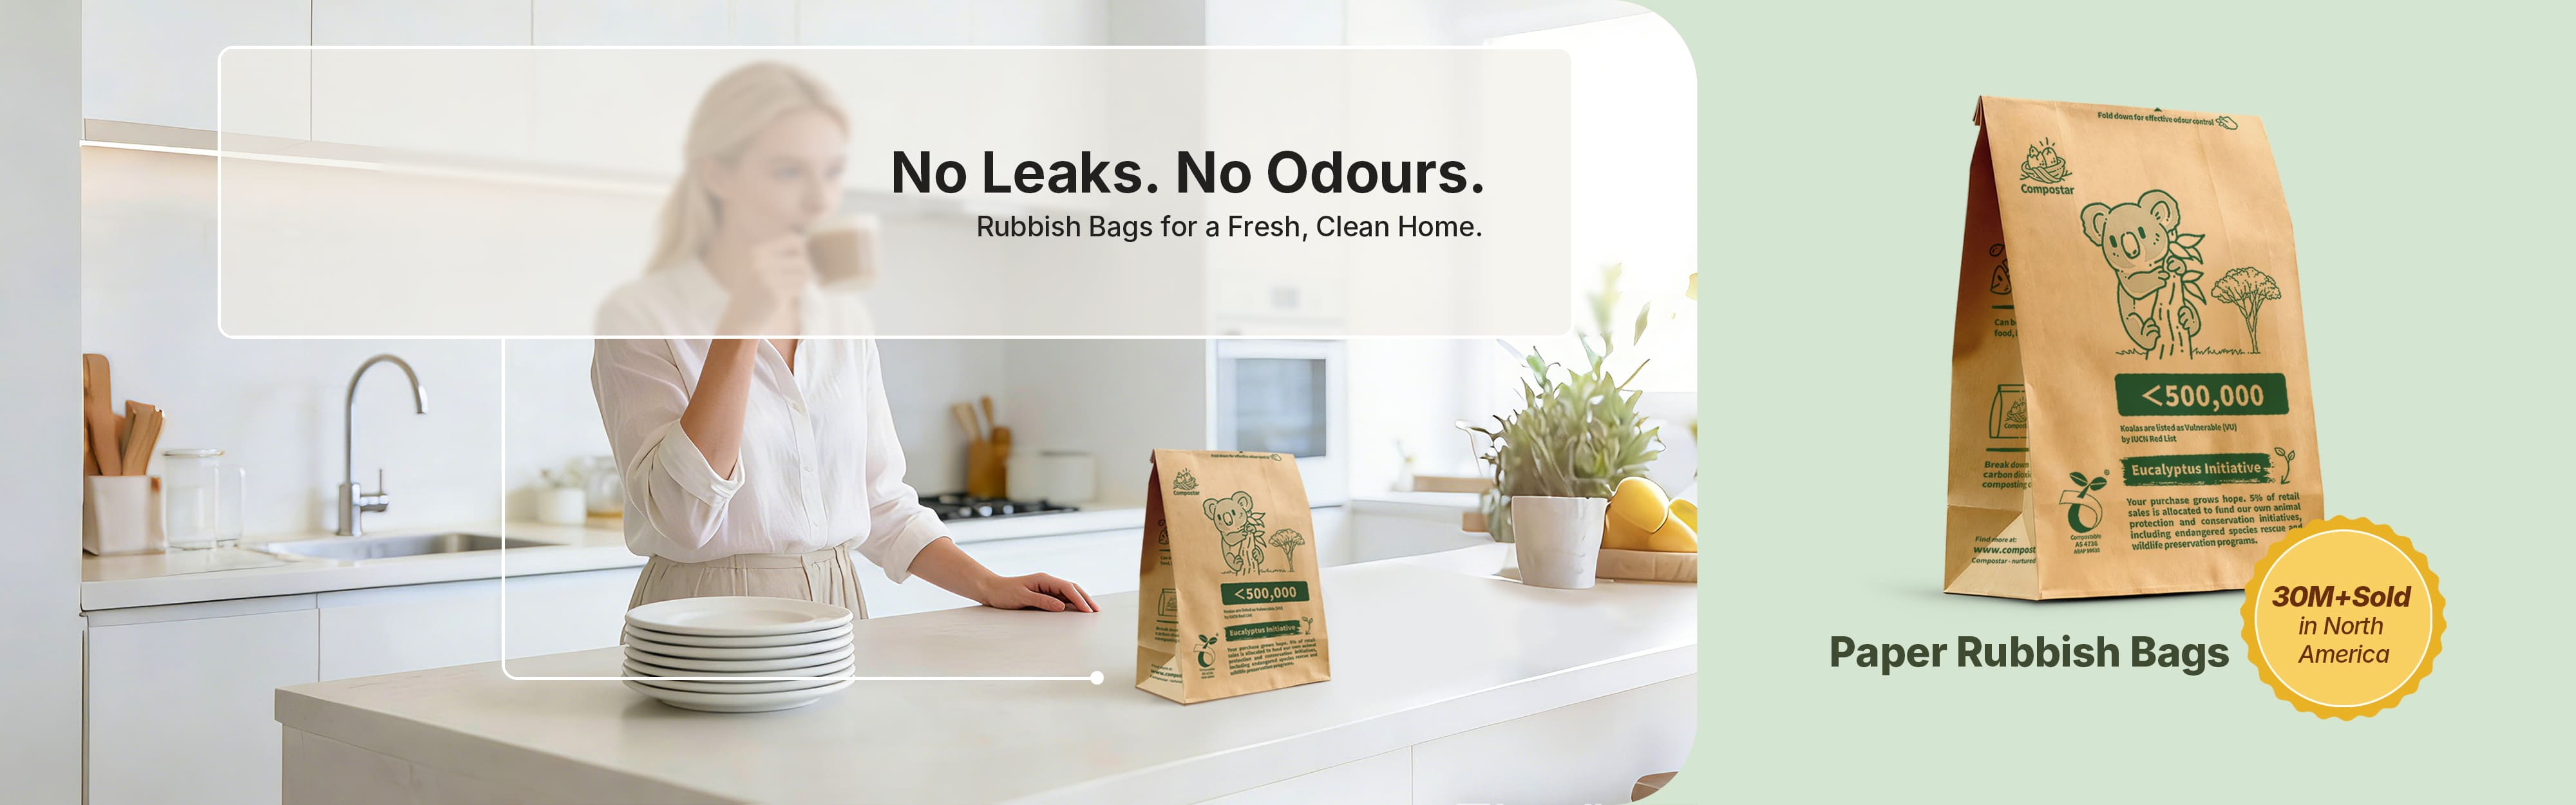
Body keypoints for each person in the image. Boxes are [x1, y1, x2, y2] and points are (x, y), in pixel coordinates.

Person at [591, 62, 1094, 617]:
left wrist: (991, 585)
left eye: (831, 173)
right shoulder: (641, 316)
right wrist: (741, 326)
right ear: (717, 175)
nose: (818, 199)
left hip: (838, 606)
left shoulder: (842, 317)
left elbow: (881, 502)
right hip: (704, 612)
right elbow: (684, 517)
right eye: (788, 172)